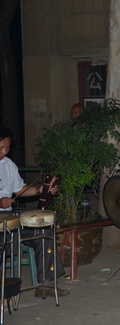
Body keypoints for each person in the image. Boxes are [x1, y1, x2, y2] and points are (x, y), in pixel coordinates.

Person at [0, 126, 68, 297]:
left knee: (43, 230)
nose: (5, 151)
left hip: (9, 217)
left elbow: (20, 189)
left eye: (7, 147)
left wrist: (40, 189)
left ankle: (45, 283)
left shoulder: (8, 165)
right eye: (1, 147)